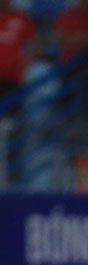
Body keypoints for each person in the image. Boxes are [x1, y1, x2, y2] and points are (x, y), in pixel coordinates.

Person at [54, 0, 88, 178]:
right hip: (68, 72)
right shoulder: (67, 13)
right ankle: (72, 155)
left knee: (87, 118)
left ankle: (87, 159)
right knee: (69, 116)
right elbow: (60, 37)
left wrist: (75, 40)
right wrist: (82, 39)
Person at [0, 0, 38, 184]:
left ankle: (14, 174)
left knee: (15, 128)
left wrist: (25, 65)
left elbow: (34, 44)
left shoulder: (21, 17)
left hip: (12, 82)